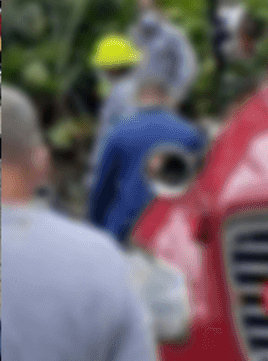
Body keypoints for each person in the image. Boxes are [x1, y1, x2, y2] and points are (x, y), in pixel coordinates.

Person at [1, 86, 160, 361]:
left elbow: (101, 184)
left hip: (118, 225)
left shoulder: (119, 132)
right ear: (40, 161)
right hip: (141, 236)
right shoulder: (96, 258)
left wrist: (96, 219)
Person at [86, 76, 204, 243]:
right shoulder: (191, 134)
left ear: (138, 97)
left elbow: (103, 186)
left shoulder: (119, 130)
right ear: (168, 98)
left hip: (122, 226)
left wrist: (95, 226)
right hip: (167, 230)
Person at [85, 34, 143, 188]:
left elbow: (111, 133)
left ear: (113, 68)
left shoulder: (120, 93)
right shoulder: (137, 89)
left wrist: (96, 169)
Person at [129, 0, 198, 106]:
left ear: (157, 8)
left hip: (165, 99)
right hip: (138, 101)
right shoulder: (135, 35)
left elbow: (188, 65)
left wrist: (175, 94)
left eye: (149, 8)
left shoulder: (173, 34)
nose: (145, 13)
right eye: (142, 9)